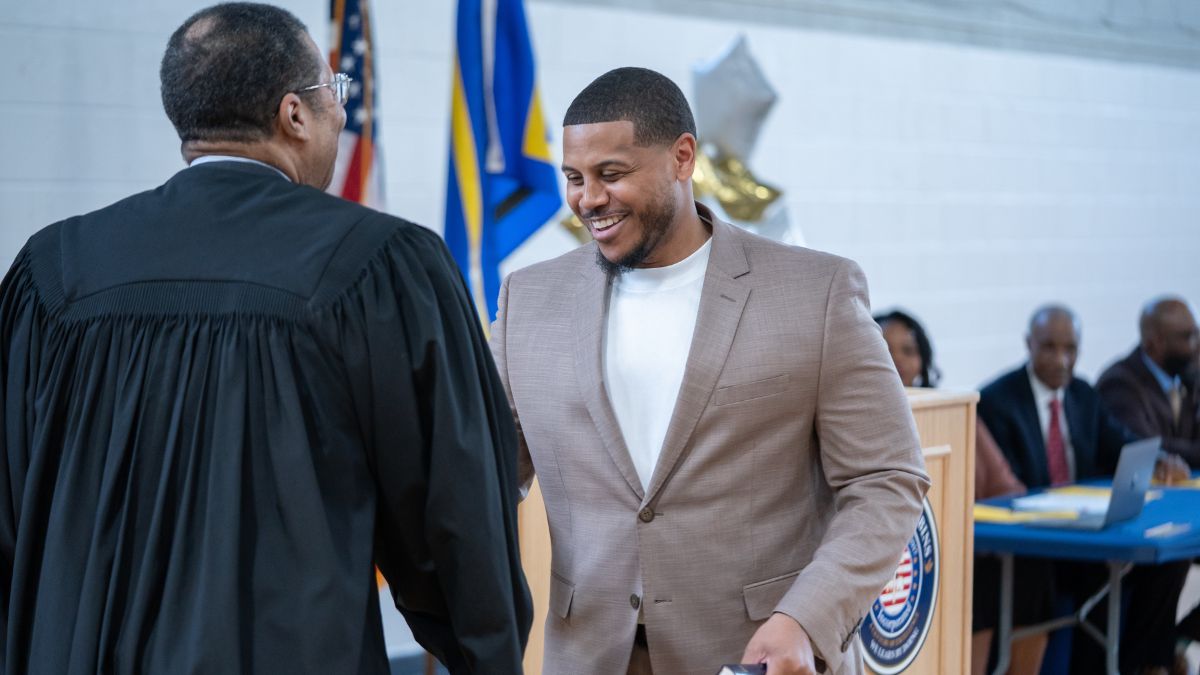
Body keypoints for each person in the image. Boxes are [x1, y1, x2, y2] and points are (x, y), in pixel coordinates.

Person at [0, 4, 530, 673]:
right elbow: (449, 519)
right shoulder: (378, 264)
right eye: (335, 93)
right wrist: (481, 653)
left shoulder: (54, 272)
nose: (342, 115)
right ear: (295, 114)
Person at [491, 67, 930, 675]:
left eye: (611, 175)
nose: (588, 199)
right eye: (574, 177)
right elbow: (480, 473)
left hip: (759, 656)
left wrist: (807, 617)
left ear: (682, 157)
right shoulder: (527, 300)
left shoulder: (815, 292)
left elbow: (887, 479)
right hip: (590, 654)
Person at [976, 305, 1184, 675]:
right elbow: (1010, 491)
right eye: (1050, 348)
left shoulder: (1082, 394)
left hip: (1089, 535)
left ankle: (1145, 665)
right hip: (1037, 543)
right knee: (1087, 583)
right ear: (1029, 344)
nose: (1062, 360)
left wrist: (1159, 462)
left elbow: (1120, 443)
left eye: (1071, 349)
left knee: (1166, 565)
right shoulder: (997, 400)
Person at [1097, 296, 1199, 666]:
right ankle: (1151, 661)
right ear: (1154, 342)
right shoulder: (1121, 383)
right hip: (1131, 520)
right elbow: (1147, 448)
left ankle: (1178, 639)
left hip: (1175, 513)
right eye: (1186, 337)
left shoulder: (1186, 378)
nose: (1195, 344)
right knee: (1168, 563)